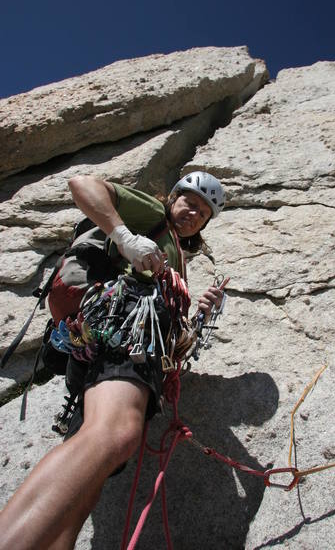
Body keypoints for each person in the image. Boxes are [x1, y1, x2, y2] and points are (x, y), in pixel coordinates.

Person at [0, 171, 226, 550]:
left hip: (117, 345)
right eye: (189, 201)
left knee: (90, 481)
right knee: (116, 435)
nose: (193, 213)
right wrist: (124, 236)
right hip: (123, 331)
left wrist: (194, 314)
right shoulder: (152, 215)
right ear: (171, 197)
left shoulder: (172, 253)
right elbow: (83, 184)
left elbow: (173, 338)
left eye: (203, 213)